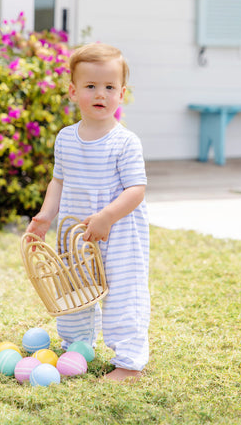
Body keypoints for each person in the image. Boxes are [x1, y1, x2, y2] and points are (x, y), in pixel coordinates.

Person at [25, 43, 150, 382]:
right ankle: (76, 346)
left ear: (121, 94)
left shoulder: (125, 142)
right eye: (91, 86)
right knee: (75, 290)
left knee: (123, 294)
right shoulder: (66, 139)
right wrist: (45, 217)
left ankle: (129, 362)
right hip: (76, 233)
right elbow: (59, 182)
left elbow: (136, 190)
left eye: (110, 87)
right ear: (73, 91)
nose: (101, 94)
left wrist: (107, 216)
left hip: (118, 232)